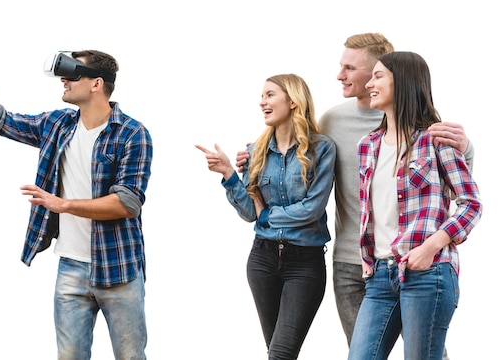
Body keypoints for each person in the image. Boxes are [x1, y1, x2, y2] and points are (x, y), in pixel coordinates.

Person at [236, 33, 474, 359]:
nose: (340, 75)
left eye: (351, 68)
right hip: (357, 264)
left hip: (421, 266)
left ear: (387, 75)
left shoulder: (429, 132)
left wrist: (466, 148)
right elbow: (297, 150)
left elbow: (458, 191)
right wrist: (254, 155)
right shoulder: (347, 130)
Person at [0, 29, 153, 360]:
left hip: (119, 270)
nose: (64, 82)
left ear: (97, 83)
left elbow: (127, 203)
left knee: (130, 356)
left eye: (72, 74)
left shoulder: (132, 134)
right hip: (71, 267)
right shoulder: (57, 125)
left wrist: (64, 204)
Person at [347, 51, 482, 359]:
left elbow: (471, 204)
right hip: (380, 276)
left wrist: (429, 247)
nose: (370, 83)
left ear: (404, 82)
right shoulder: (366, 146)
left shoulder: (435, 139)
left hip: (427, 273)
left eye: (379, 76)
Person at [196, 74, 336, 360]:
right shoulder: (254, 152)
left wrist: (266, 214)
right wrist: (228, 174)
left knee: (281, 353)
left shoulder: (321, 149)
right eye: (262, 96)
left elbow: (312, 209)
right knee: (277, 351)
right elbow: (250, 213)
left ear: (293, 102)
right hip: (262, 259)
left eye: (270, 95)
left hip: (304, 263)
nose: (262, 102)